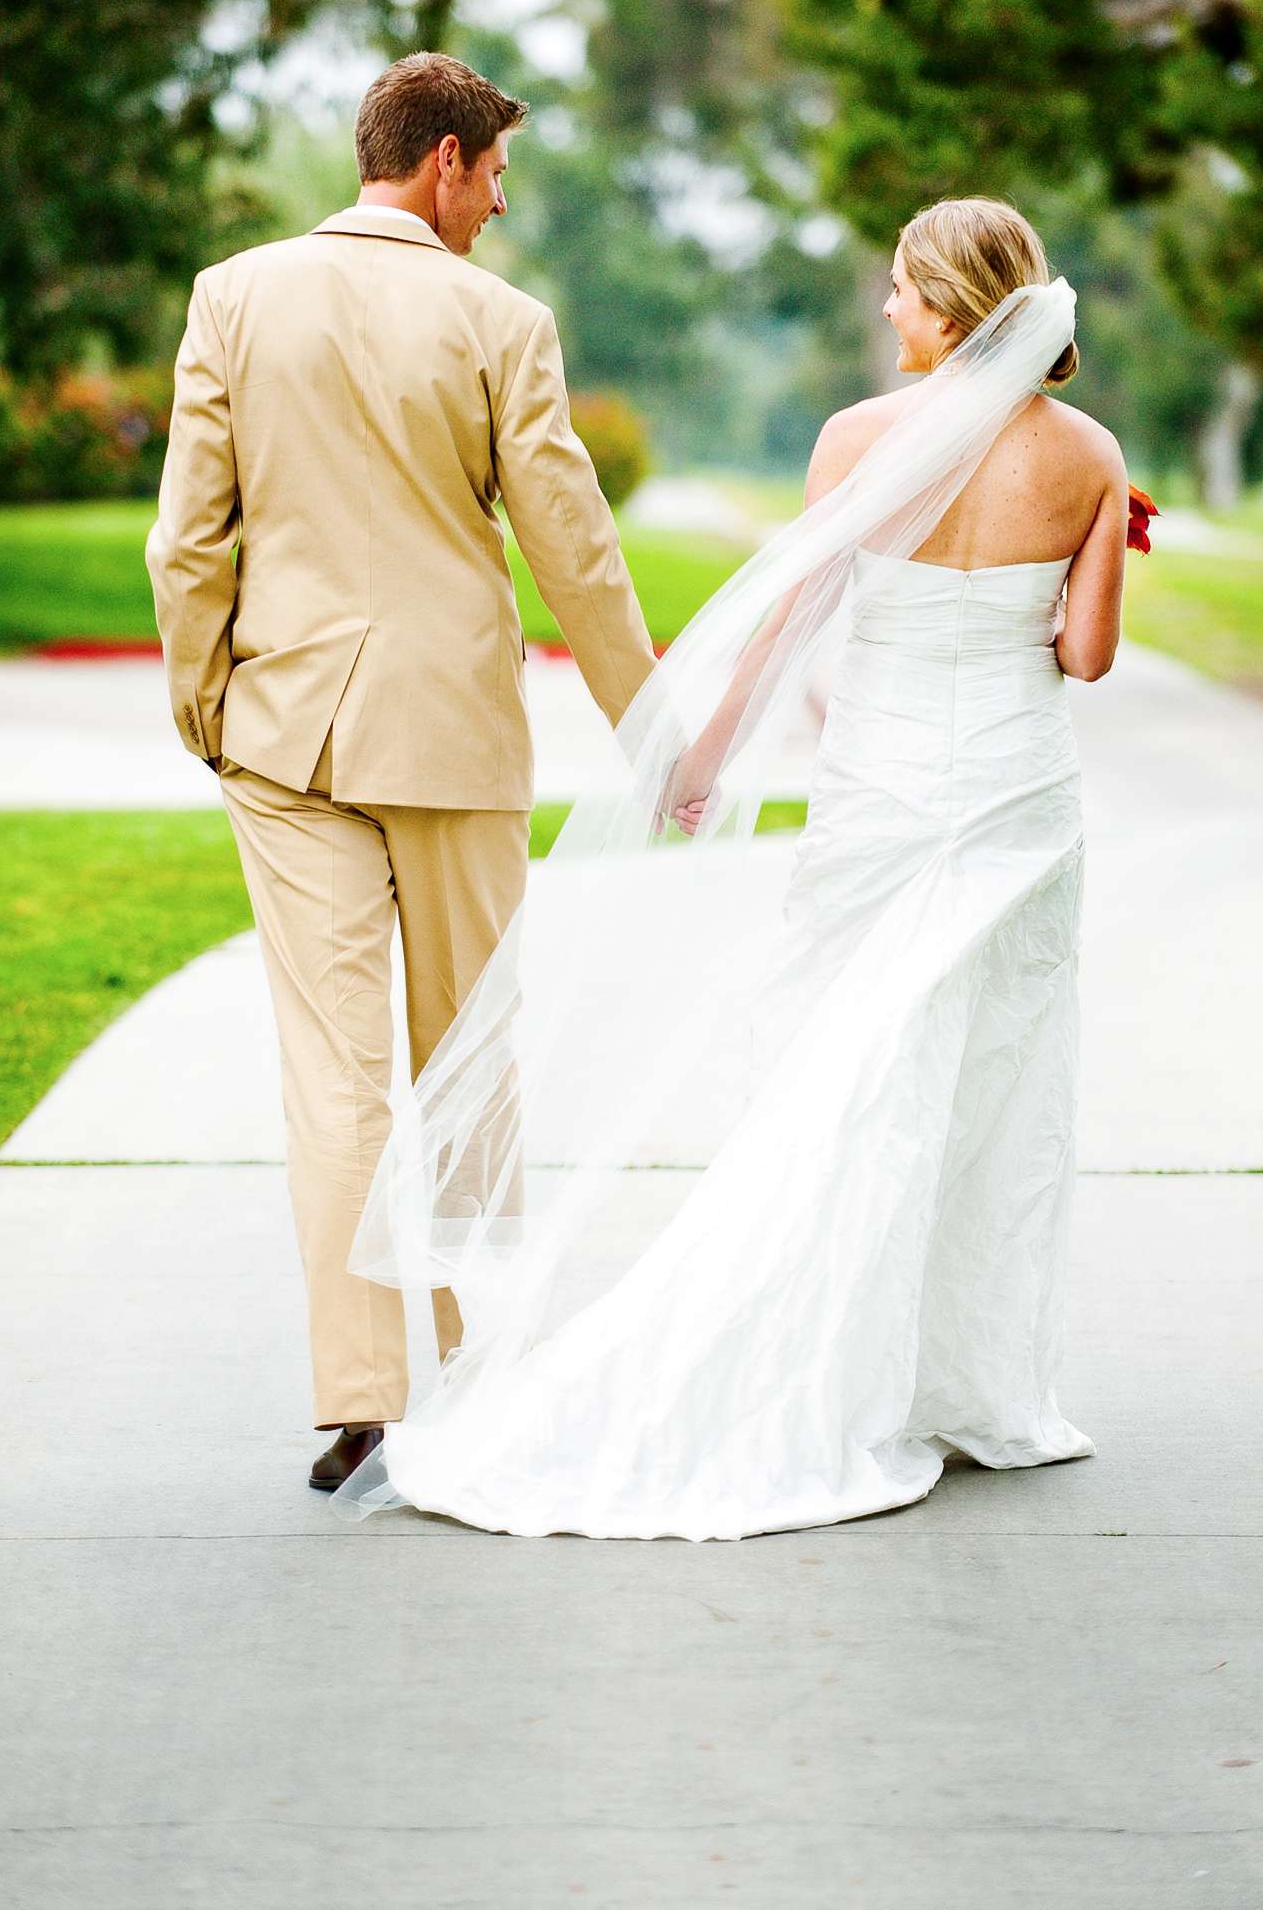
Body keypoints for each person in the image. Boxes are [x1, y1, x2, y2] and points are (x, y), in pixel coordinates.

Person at [328, 194, 1129, 1543]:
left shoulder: (859, 444)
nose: (887, 310)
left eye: (900, 290)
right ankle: (969, 1385)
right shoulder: (1093, 455)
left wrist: (702, 758)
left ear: (950, 304)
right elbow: (1085, 658)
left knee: (845, 1079)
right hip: (1014, 801)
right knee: (994, 1084)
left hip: (881, 798)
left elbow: (789, 622)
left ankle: (822, 1366)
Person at [146, 52, 657, 1489]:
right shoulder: (502, 321)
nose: (498, 205)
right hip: (448, 739)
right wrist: (653, 731)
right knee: (470, 1065)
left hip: (285, 736)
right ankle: (483, 1376)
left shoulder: (231, 297)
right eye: (494, 175)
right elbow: (575, 546)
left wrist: (205, 703)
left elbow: (189, 539)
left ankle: (361, 1392)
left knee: (334, 1079)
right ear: (442, 161)